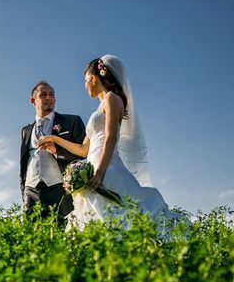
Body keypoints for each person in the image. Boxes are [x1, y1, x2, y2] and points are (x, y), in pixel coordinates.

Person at [37, 55, 174, 230]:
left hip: (107, 168)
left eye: (86, 80)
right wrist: (55, 139)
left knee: (116, 218)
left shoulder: (112, 98)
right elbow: (83, 149)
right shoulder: (100, 106)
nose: (85, 85)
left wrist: (100, 173)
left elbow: (111, 137)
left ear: (94, 78)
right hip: (92, 166)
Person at [19, 81, 86, 223]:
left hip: (61, 189)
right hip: (31, 191)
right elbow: (24, 163)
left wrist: (57, 151)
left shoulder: (71, 121)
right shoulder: (25, 131)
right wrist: (24, 192)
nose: (49, 97)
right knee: (32, 239)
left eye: (51, 94)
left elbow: (85, 153)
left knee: (64, 236)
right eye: (43, 94)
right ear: (33, 101)